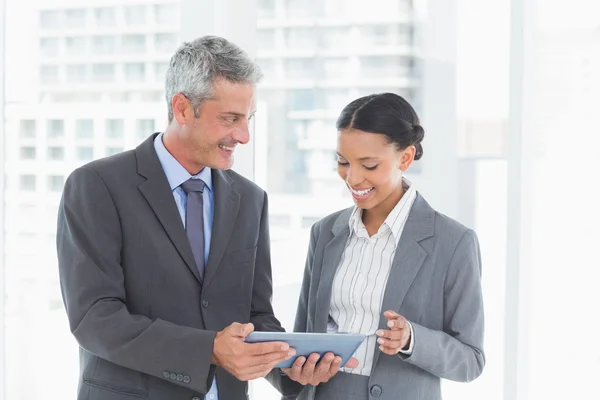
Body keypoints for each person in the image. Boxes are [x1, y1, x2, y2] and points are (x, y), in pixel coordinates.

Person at [56, 35, 346, 400]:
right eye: (230, 119)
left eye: (248, 118)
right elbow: (95, 318)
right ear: (182, 108)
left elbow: (255, 314)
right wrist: (209, 349)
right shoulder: (98, 185)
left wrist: (291, 365)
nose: (243, 136)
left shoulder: (250, 200)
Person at [278, 93, 485, 399]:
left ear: (405, 157)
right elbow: (305, 337)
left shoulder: (453, 242)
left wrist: (412, 339)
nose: (353, 177)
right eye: (342, 162)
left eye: (369, 165)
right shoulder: (325, 233)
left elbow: (471, 360)